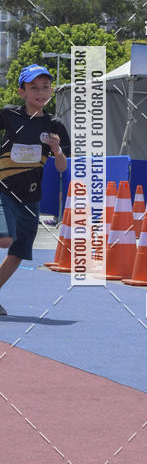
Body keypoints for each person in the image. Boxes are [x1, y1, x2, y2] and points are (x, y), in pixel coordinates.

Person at [0, 64, 70, 313]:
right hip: (3, 190)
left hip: (30, 198)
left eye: (45, 87)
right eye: (34, 88)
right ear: (22, 92)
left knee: (18, 252)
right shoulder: (9, 115)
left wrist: (56, 149)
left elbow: (62, 167)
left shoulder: (55, 126)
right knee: (5, 239)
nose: (41, 92)